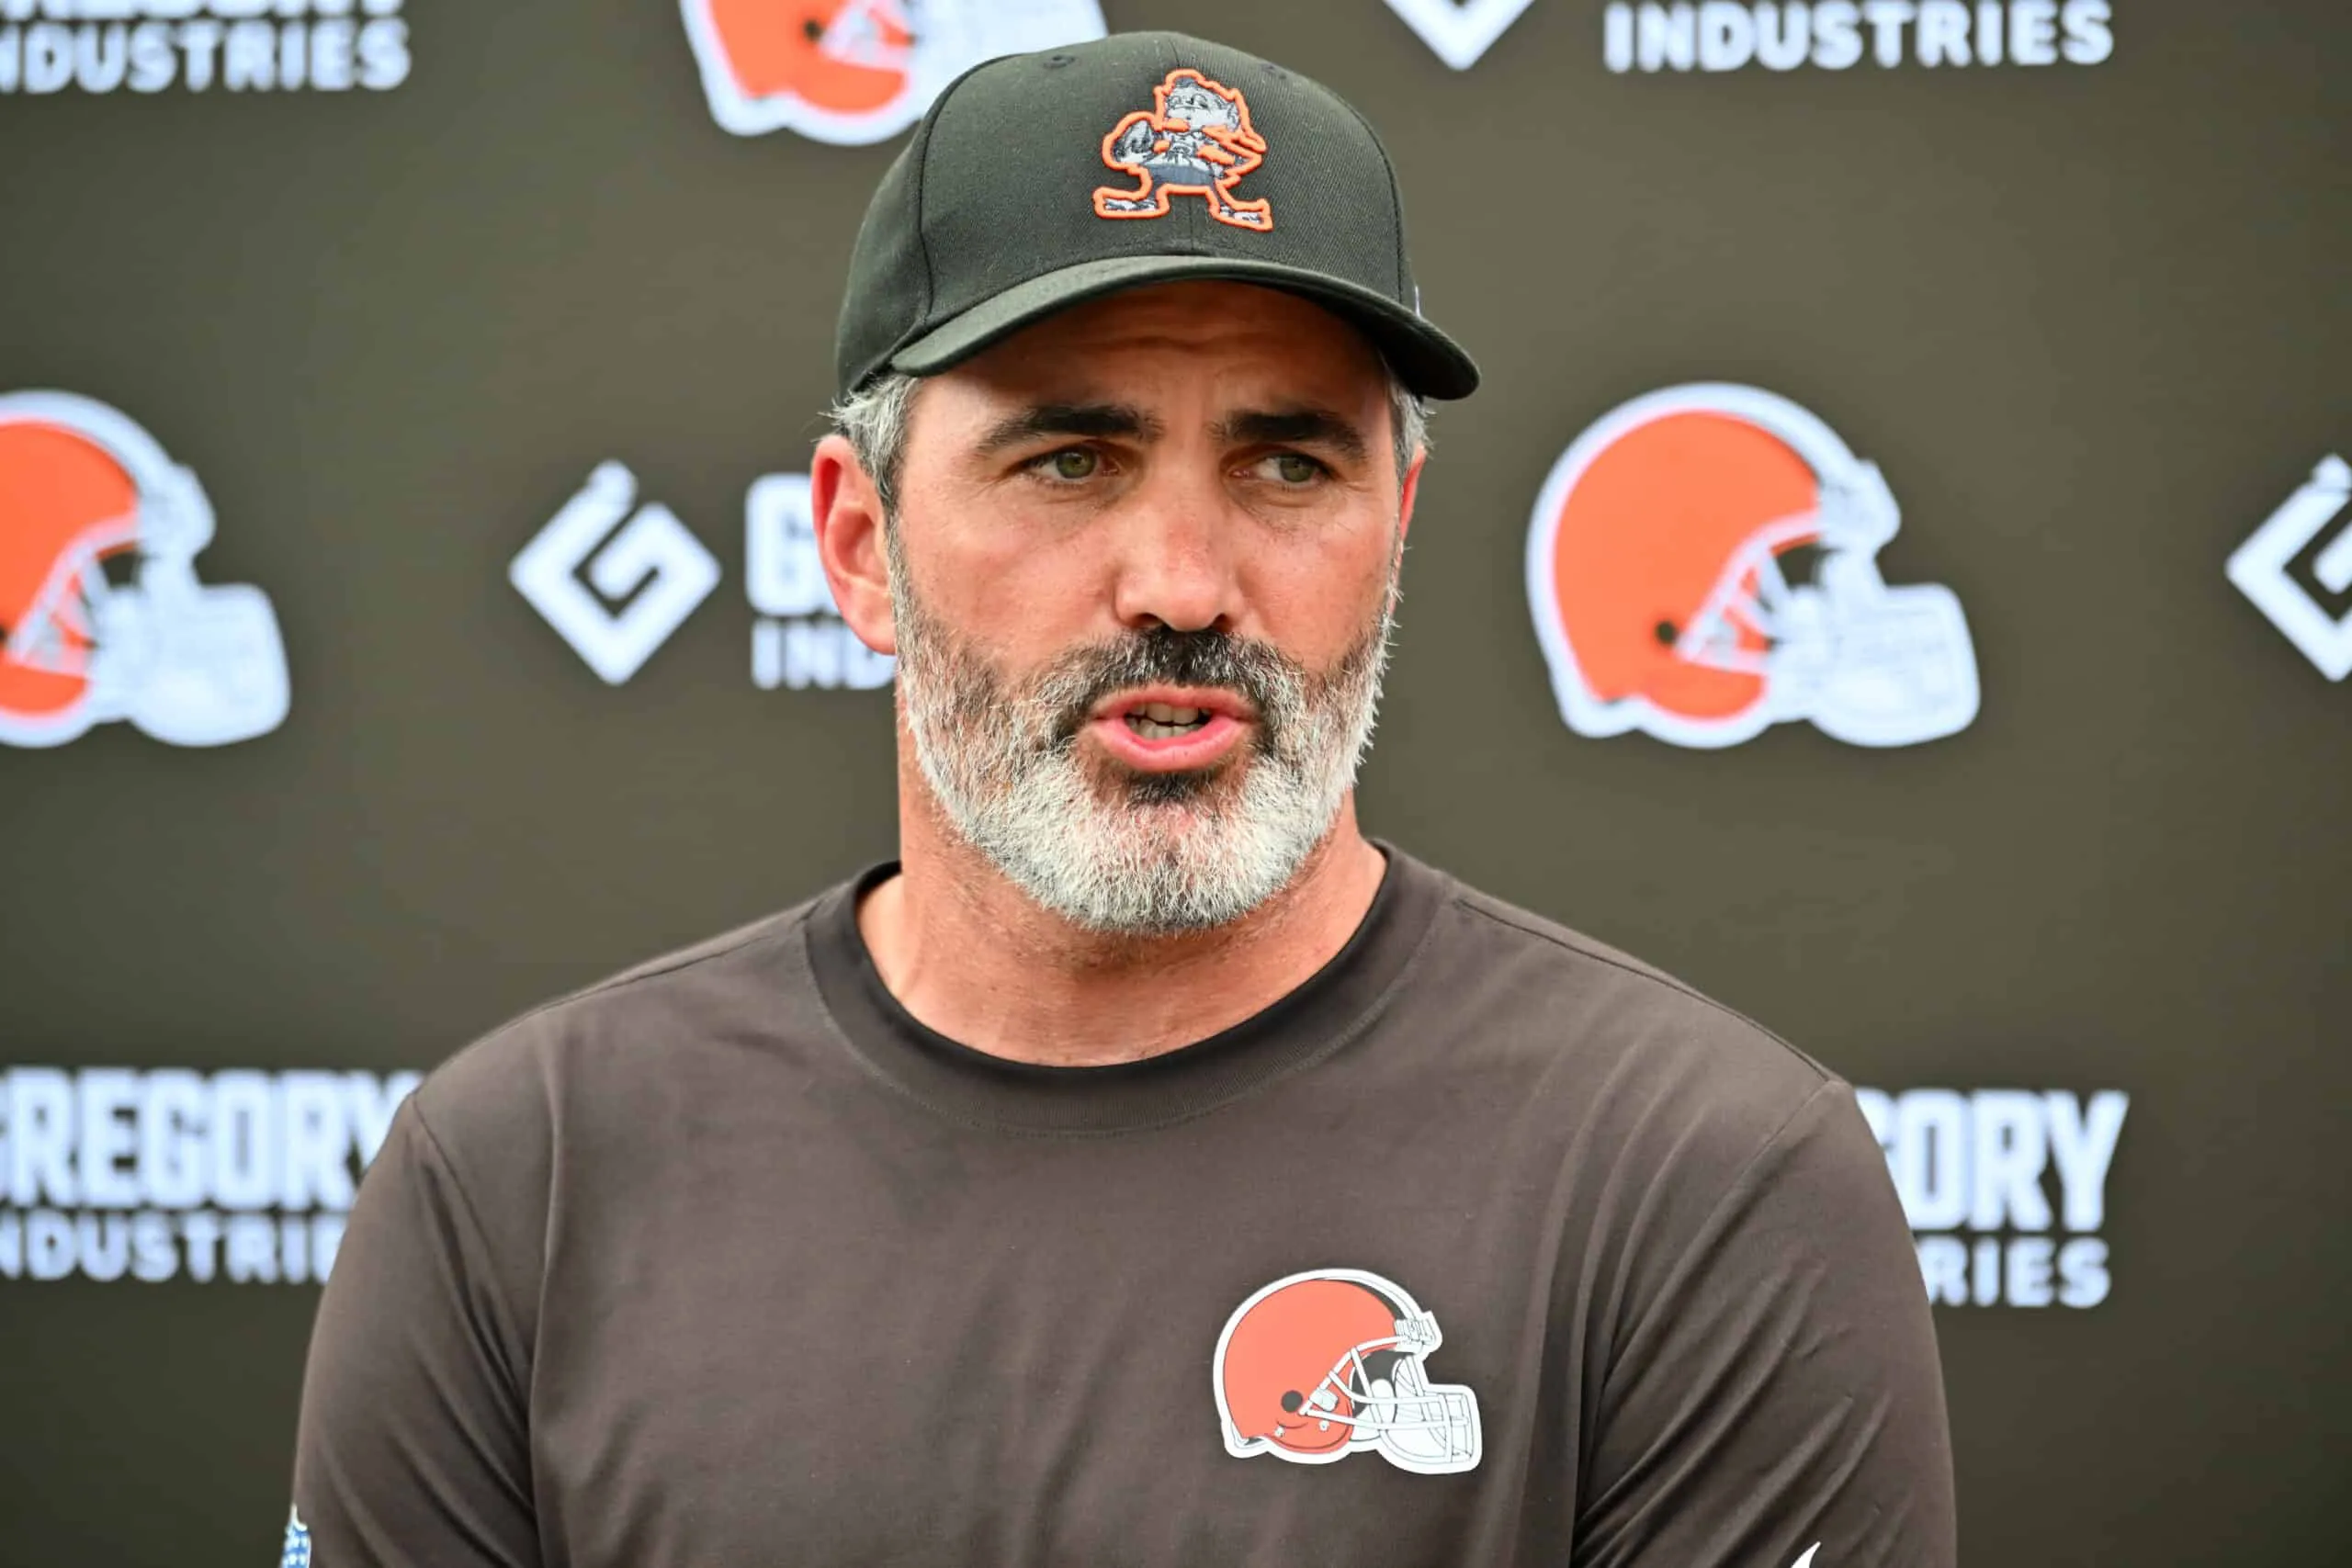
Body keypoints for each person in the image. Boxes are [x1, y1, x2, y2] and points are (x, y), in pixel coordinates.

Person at [290, 29, 1956, 1567]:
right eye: (1068, 460)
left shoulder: (1697, 1177)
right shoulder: (522, 1178)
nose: (1180, 582)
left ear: (1402, 523)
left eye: (1289, 463)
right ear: (859, 546)